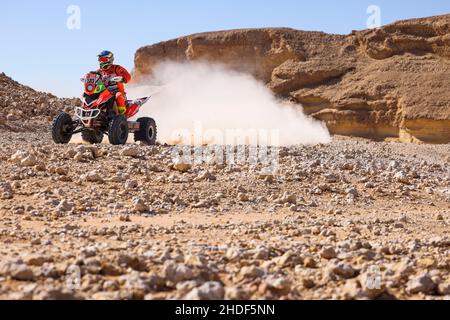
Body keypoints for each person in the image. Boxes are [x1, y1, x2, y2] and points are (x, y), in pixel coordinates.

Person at [97, 50, 132, 115]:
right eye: (100, 59)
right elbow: (92, 76)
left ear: (109, 59)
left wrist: (122, 79)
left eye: (103, 59)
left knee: (118, 96)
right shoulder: (99, 71)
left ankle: (121, 115)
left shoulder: (117, 68)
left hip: (117, 91)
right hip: (104, 93)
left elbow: (128, 76)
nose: (101, 61)